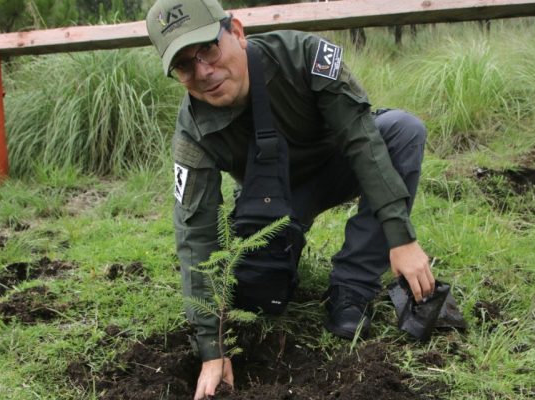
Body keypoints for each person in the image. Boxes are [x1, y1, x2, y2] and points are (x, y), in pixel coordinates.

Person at [146, 0, 435, 398]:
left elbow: (361, 139)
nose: (204, 72)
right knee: (256, 298)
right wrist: (212, 349)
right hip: (271, 203)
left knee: (402, 130)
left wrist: (400, 237)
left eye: (208, 50)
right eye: (184, 66)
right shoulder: (193, 132)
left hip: (338, 165)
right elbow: (195, 235)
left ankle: (351, 288)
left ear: (237, 32)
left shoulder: (304, 55)